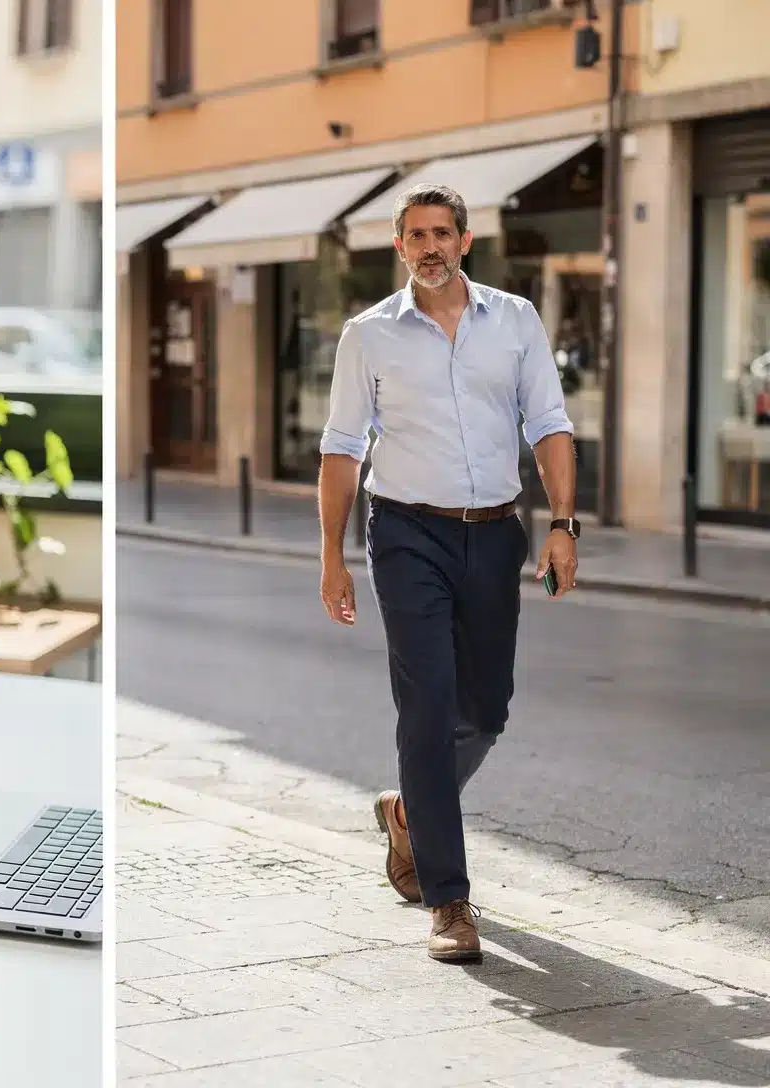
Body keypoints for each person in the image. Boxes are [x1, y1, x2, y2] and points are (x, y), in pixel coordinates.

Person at [315, 183, 578, 964]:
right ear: (399, 248)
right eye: (415, 236)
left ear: (466, 241)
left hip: (495, 534)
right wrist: (331, 556)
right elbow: (340, 448)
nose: (429, 246)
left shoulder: (517, 321)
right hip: (406, 533)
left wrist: (563, 524)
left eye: (442, 233)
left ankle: (407, 811)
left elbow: (551, 424)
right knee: (425, 708)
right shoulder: (368, 335)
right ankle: (448, 900)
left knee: (484, 712)